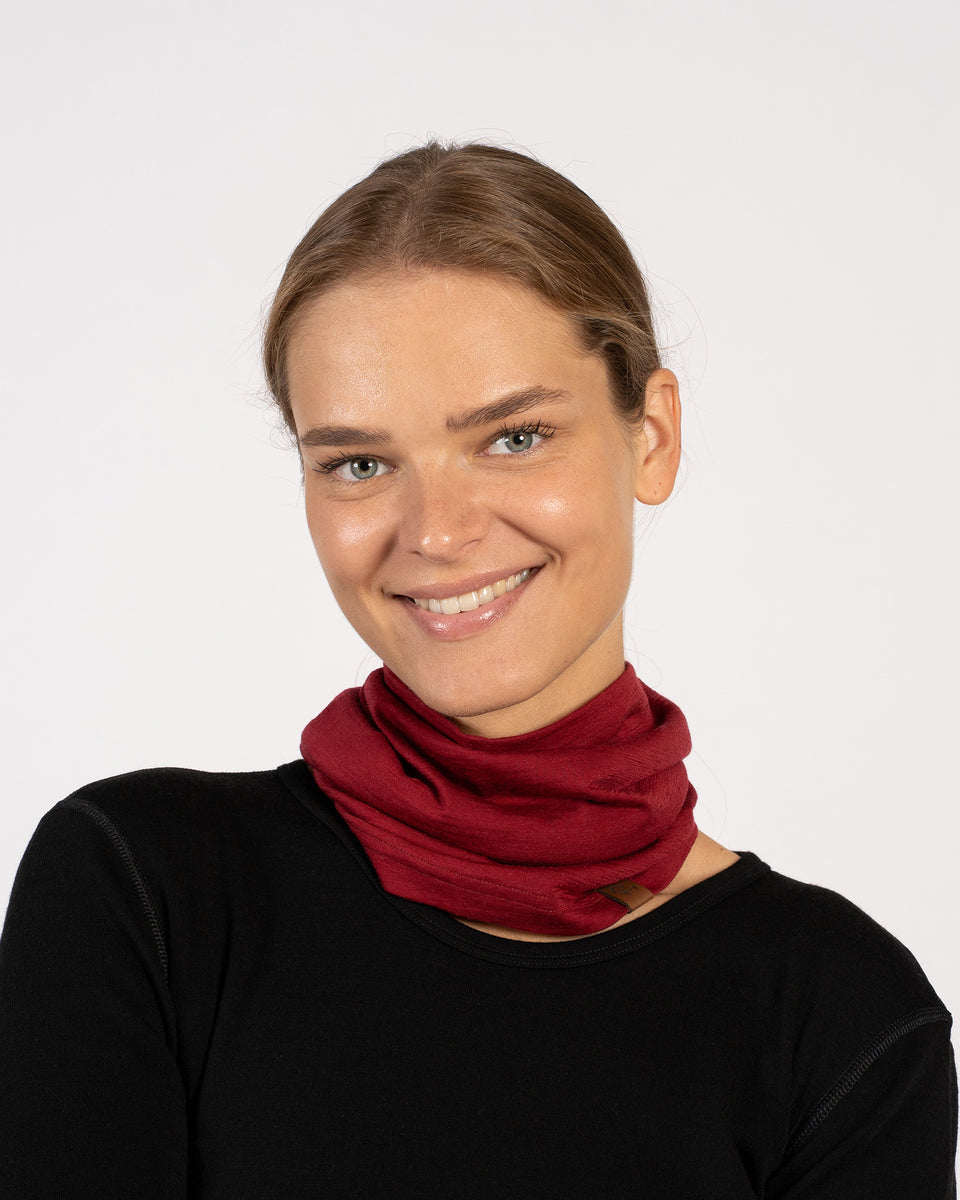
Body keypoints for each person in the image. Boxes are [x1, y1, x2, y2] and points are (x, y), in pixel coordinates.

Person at [0, 141, 956, 1198]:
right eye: (360, 463)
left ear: (652, 437)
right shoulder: (147, 890)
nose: (438, 532)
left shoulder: (841, 1015)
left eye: (513, 438)